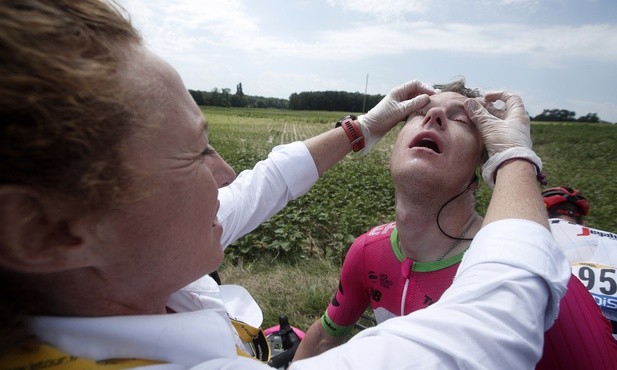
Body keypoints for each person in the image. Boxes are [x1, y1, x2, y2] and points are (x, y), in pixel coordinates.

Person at [0, 1, 570, 369]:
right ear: (44, 230)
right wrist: (516, 157)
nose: (225, 176)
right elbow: (491, 327)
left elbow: (263, 183)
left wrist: (362, 129)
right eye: (196, 152)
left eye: (465, 119)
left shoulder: (109, 269)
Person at [295, 81, 617, 369]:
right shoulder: (368, 252)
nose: (433, 118)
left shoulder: (537, 280)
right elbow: (324, 338)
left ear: (478, 174)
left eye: (460, 119)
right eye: (418, 113)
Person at [543, 187, 617, 337]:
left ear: (544, 213)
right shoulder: (611, 239)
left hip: (566, 331)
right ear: (581, 220)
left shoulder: (541, 232)